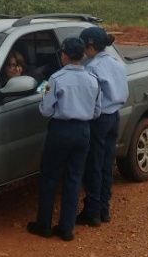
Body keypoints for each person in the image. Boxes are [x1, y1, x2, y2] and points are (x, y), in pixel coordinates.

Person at [27, 37, 101, 241]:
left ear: (65, 55)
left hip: (60, 131)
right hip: (83, 131)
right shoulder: (92, 79)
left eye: (62, 53)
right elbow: (96, 111)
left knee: (49, 177)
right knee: (74, 178)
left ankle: (44, 225)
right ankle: (66, 228)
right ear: (83, 55)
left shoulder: (55, 79)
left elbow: (45, 110)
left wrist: (41, 93)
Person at [75, 26, 128, 227]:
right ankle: (104, 209)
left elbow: (91, 100)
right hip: (114, 117)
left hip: (98, 120)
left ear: (89, 46)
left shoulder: (92, 68)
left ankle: (92, 211)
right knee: (106, 164)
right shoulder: (116, 63)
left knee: (93, 166)